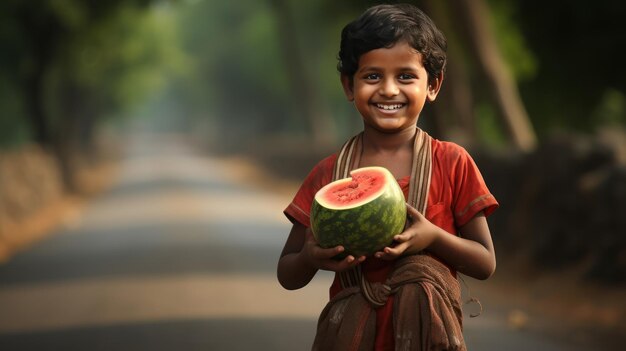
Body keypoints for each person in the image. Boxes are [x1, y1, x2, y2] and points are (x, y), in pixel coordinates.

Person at [277, 3, 498, 350]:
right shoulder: (329, 174)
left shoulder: (452, 162)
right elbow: (287, 273)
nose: (389, 90)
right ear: (349, 86)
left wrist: (433, 237)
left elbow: (485, 262)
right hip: (349, 336)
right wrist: (309, 258)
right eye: (372, 76)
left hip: (428, 336)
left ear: (433, 85)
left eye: (406, 76)